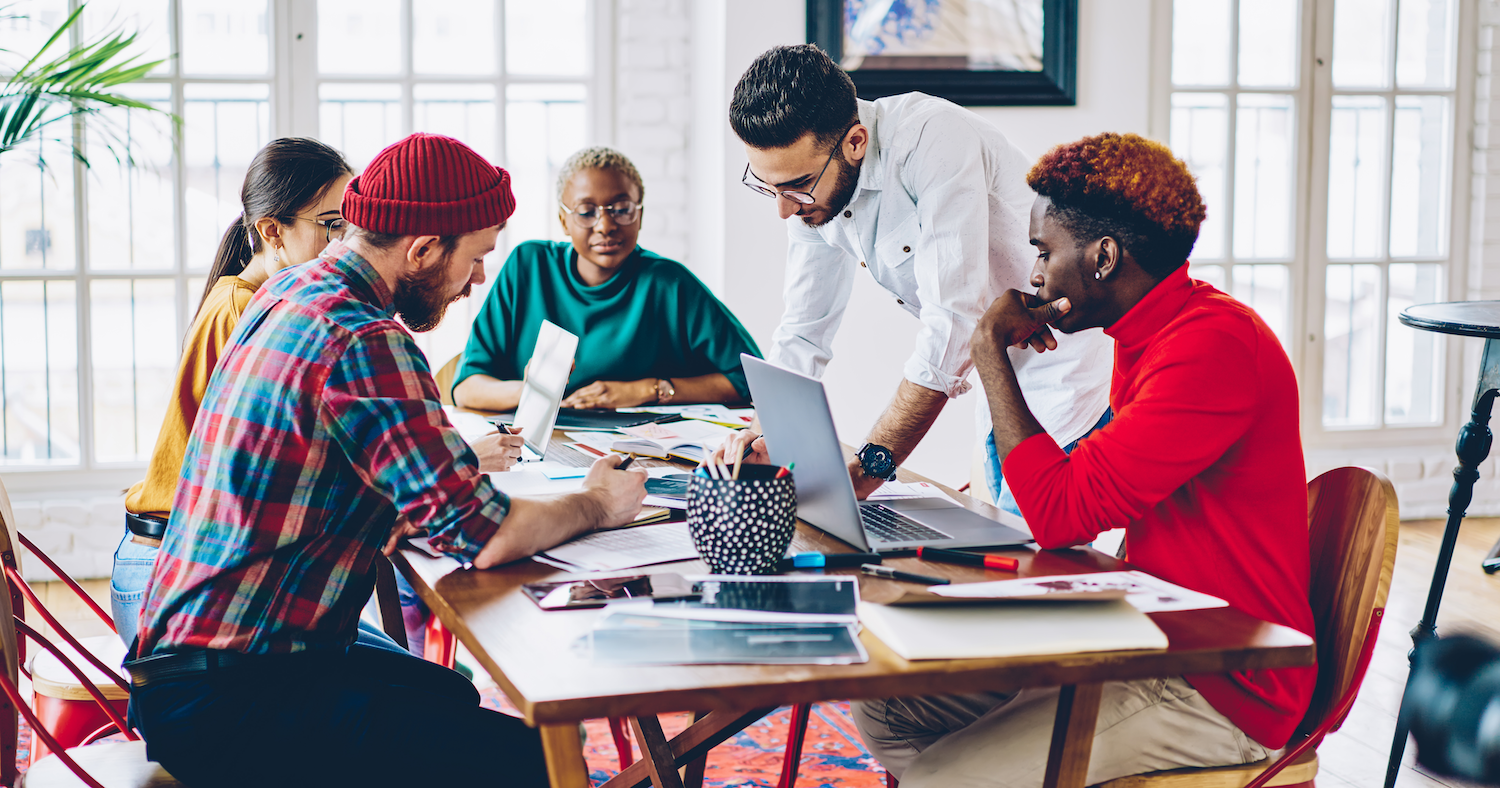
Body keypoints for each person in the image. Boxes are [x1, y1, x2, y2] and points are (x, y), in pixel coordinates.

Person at [126, 133, 647, 788]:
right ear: (424, 250)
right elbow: (483, 537)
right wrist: (597, 503)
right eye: (477, 256)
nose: (478, 279)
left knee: (448, 697)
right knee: (533, 763)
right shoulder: (365, 336)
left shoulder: (288, 293)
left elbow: (359, 485)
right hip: (234, 699)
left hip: (190, 667)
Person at [853, 133, 1317, 787]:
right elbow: (1079, 500)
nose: (1032, 273)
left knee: (941, 779)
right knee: (887, 712)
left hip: (1218, 684)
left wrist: (989, 351)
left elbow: (1058, 515)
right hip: (1144, 640)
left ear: (1102, 257)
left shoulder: (1211, 348)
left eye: (1043, 251)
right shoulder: (1150, 335)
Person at [715, 45, 1112, 506]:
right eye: (769, 187)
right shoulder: (811, 197)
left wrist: (868, 470)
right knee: (1002, 545)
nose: (784, 209)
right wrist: (762, 430)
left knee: (1036, 564)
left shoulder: (932, 138)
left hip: (1068, 369)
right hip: (1001, 372)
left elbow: (953, 323)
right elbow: (804, 331)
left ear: (856, 142)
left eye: (797, 188)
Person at [112, 137, 359, 649]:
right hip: (167, 577)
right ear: (272, 231)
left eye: (348, 226)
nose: (343, 243)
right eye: (331, 224)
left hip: (189, 563)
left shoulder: (263, 299)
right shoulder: (243, 309)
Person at [453, 146, 761, 411]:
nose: (605, 225)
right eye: (586, 212)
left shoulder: (669, 284)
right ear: (563, 220)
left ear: (639, 215)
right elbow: (466, 387)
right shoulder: (528, 267)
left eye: (622, 209)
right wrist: (535, 392)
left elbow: (751, 378)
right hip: (539, 450)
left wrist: (644, 391)